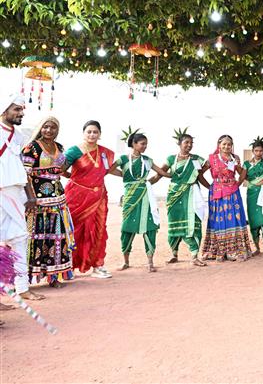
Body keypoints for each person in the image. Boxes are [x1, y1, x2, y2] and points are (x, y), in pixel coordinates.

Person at [22, 117, 75, 287]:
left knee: (57, 237)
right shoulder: (32, 147)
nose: (49, 130)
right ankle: (25, 280)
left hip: (58, 199)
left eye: (53, 127)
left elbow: (62, 169)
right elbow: (25, 174)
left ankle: (54, 276)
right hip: (38, 201)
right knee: (36, 237)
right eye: (45, 127)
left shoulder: (59, 147)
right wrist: (31, 198)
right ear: (40, 128)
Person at [0, 94, 42, 302]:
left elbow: (21, 166)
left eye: (22, 109)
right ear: (4, 110)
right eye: (16, 109)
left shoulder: (18, 135)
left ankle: (22, 287)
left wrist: (30, 195)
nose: (21, 113)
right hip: (3, 190)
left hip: (15, 191)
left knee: (18, 238)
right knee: (16, 237)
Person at [62, 120, 115, 278]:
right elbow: (60, 169)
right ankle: (66, 267)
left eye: (95, 132)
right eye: (89, 132)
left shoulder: (104, 152)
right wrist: (75, 179)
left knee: (97, 230)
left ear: (100, 134)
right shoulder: (74, 151)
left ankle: (98, 265)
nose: (92, 135)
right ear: (83, 133)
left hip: (98, 197)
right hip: (76, 197)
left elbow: (107, 170)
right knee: (72, 230)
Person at [113, 131, 171, 272]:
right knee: (126, 228)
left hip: (146, 197)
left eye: (146, 144)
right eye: (142, 143)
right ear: (134, 144)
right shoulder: (123, 159)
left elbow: (161, 172)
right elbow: (109, 169)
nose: (145, 146)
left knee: (149, 227)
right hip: (130, 198)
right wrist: (125, 176)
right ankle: (125, 262)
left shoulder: (147, 160)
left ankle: (150, 263)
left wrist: (175, 175)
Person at [150, 129, 208, 267]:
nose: (189, 145)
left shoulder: (196, 159)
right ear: (179, 143)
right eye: (186, 142)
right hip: (174, 195)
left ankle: (194, 256)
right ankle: (174, 254)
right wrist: (146, 183)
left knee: (193, 223)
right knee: (174, 223)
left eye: (191, 143)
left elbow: (202, 173)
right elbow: (160, 173)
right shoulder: (171, 159)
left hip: (191, 194)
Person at [201, 135, 252, 261]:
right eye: (224, 144)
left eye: (229, 144)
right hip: (217, 193)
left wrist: (238, 182)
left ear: (232, 146)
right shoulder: (212, 159)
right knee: (218, 220)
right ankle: (217, 250)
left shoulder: (235, 158)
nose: (226, 147)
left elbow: (242, 173)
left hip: (233, 192)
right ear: (219, 145)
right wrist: (210, 187)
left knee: (235, 218)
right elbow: (199, 174)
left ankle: (234, 250)